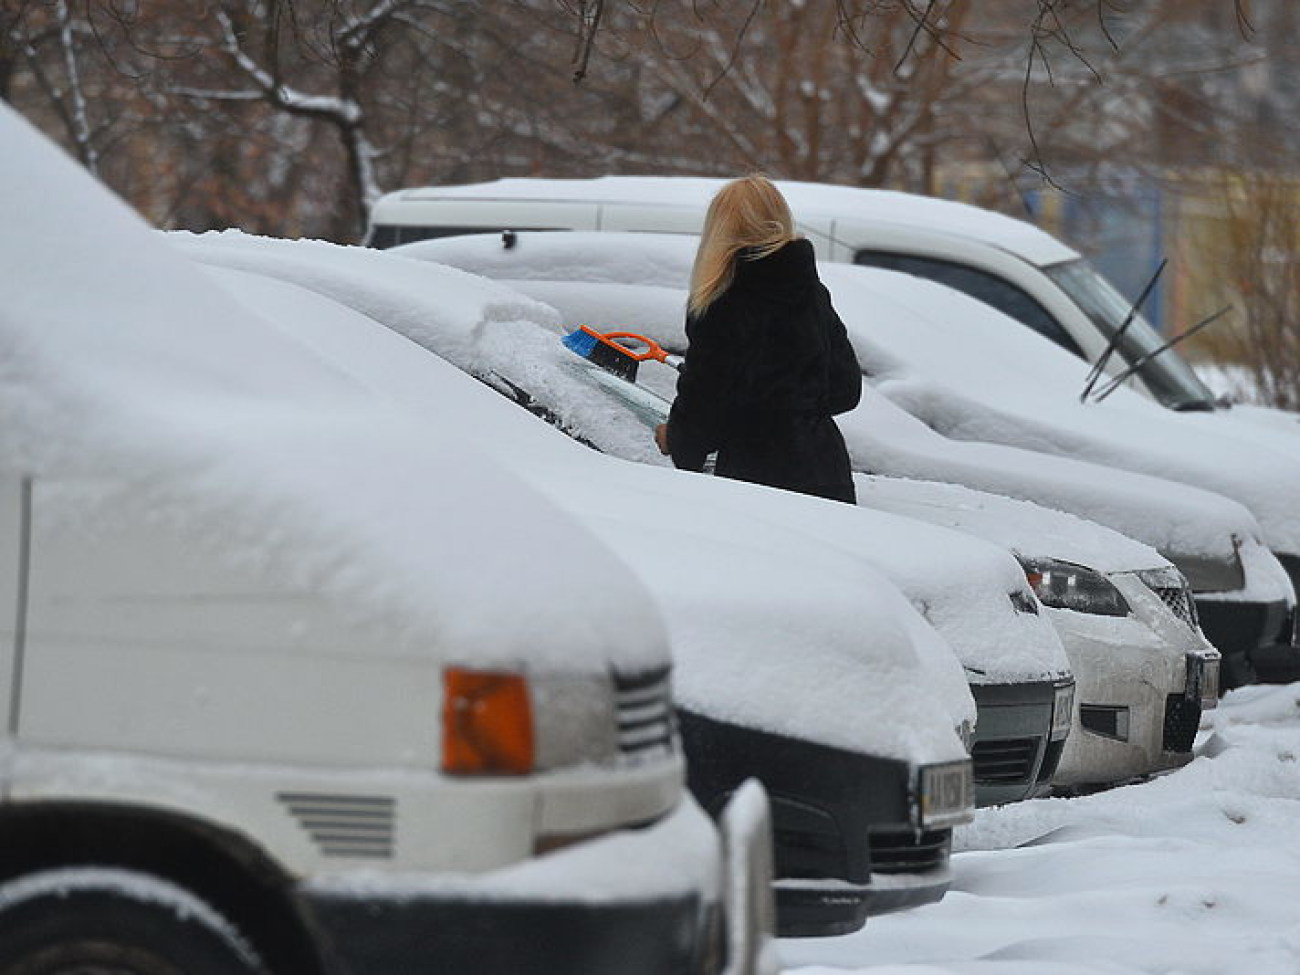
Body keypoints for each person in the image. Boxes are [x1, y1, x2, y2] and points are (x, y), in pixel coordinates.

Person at [654, 175, 863, 504]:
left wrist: (677, 439)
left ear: (718, 230)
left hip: (753, 480)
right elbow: (846, 390)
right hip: (825, 472)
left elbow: (704, 403)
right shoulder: (811, 294)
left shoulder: (720, 303)